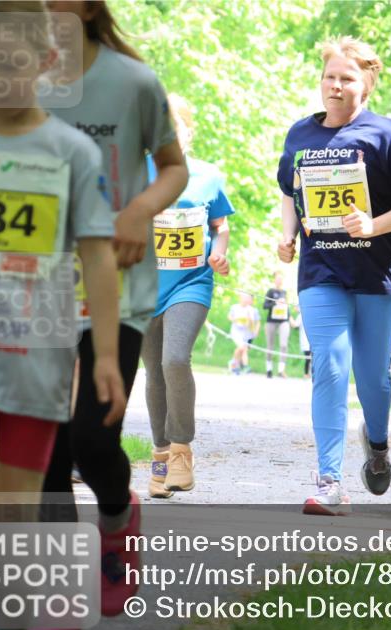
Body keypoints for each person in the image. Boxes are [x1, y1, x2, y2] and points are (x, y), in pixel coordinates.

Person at [0, 4, 126, 630]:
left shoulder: (70, 151)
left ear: (45, 62)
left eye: (10, 65)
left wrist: (103, 353)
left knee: (16, 504)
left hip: (37, 348)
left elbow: (98, 254)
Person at [33, 0, 188, 630]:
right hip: (35, 290)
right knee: (46, 453)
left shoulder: (133, 82)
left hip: (117, 290)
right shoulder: (21, 82)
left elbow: (173, 165)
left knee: (92, 440)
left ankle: (119, 515)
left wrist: (138, 211)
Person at [276, 37, 391, 514]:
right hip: (320, 268)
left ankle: (379, 442)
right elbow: (290, 190)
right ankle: (329, 481)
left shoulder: (389, 134)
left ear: (367, 83)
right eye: (330, 77)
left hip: (379, 272)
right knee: (328, 363)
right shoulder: (300, 135)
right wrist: (287, 236)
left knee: (372, 380)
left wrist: (374, 225)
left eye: (347, 78)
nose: (337, 86)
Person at [141, 94, 234, 499]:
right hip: (142, 286)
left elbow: (221, 225)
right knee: (154, 372)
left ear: (187, 132)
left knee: (175, 359)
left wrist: (220, 250)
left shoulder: (208, 176)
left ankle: (181, 450)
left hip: (190, 283)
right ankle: (160, 456)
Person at [263, 273, 291, 378]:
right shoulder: (270, 291)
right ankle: (269, 369)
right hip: (271, 321)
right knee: (270, 345)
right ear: (274, 280)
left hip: (284, 321)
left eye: (281, 279)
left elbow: (286, 307)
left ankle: (281, 370)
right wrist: (275, 303)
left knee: (284, 345)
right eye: (277, 279)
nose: (279, 281)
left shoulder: (284, 292)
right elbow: (265, 306)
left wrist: (290, 318)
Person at [228, 291, 259, 374]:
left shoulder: (251, 310)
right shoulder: (234, 307)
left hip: (245, 333)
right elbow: (230, 317)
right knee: (241, 347)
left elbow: (252, 323)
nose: (245, 300)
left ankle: (236, 365)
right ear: (240, 299)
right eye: (244, 298)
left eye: (247, 298)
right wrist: (235, 319)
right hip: (236, 331)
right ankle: (236, 364)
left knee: (243, 349)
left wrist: (253, 329)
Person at [292, 305, 312, 379]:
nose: (296, 308)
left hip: (306, 340)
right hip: (309, 340)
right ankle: (307, 374)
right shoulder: (302, 315)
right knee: (309, 357)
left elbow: (294, 325)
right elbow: (295, 325)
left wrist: (288, 316)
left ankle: (307, 374)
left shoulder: (301, 315)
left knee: (308, 357)